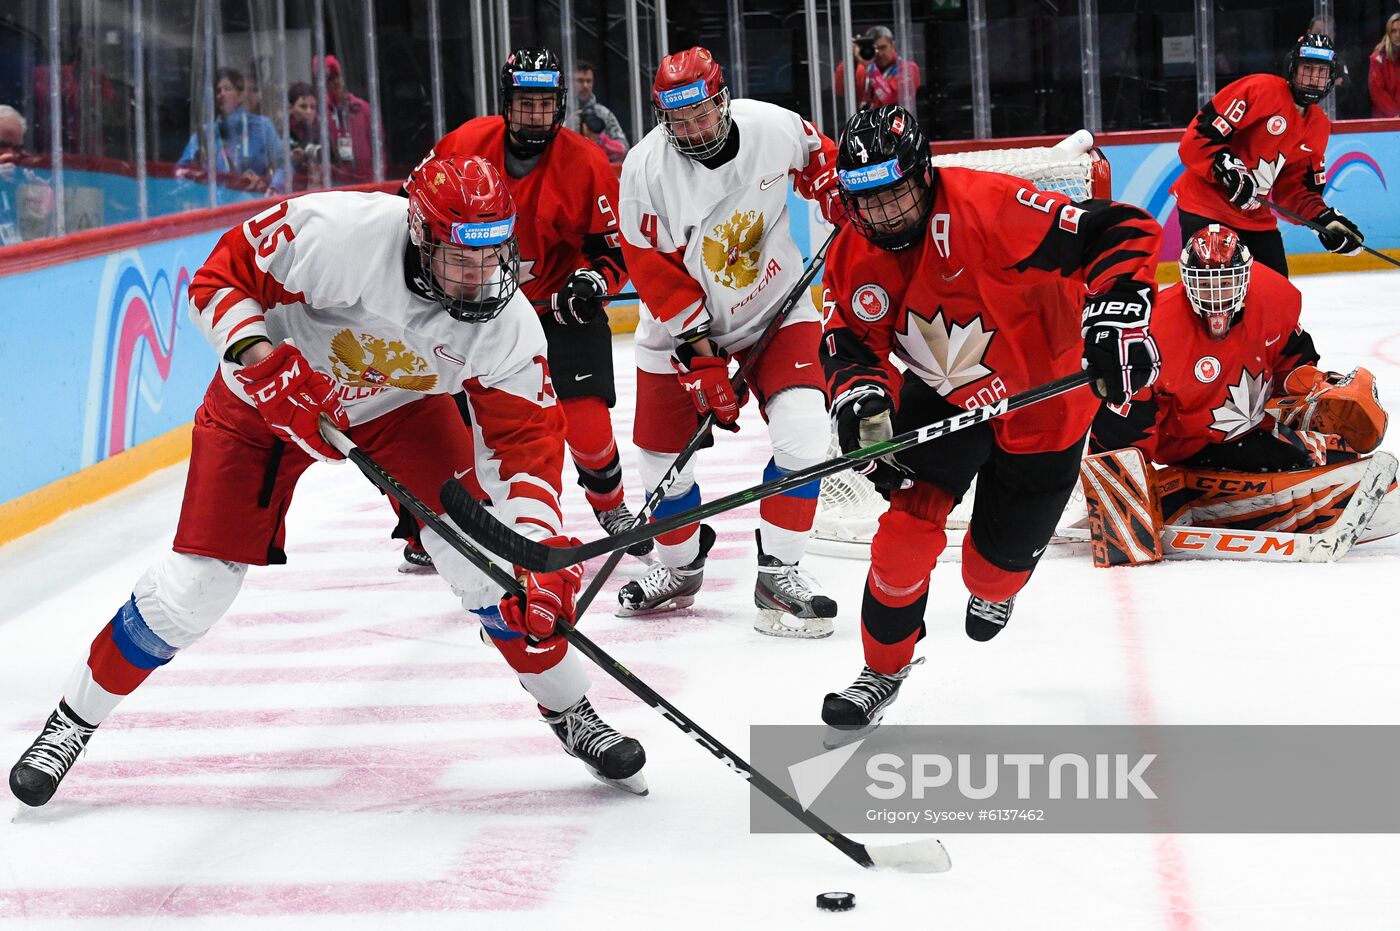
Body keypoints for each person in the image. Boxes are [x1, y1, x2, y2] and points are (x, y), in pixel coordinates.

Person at [7, 154, 648, 808]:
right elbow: (217, 278)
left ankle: (572, 710)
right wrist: (262, 362)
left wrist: (534, 551)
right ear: (420, 235)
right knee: (193, 590)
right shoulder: (338, 234)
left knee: (494, 571)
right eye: (462, 259)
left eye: (493, 257)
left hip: (400, 406)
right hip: (263, 403)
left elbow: (524, 445)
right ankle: (73, 718)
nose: (482, 278)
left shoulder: (508, 326)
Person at [818, 105, 1162, 738]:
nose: (886, 216)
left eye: (898, 195)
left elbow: (1122, 230)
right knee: (902, 540)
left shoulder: (990, 206)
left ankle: (995, 586)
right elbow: (848, 341)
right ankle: (881, 672)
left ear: (925, 174)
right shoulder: (853, 254)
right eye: (868, 202)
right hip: (947, 398)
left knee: (991, 571)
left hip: (1044, 405)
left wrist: (1117, 314)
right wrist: (861, 399)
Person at [617, 47, 847, 639]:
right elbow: (652, 270)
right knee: (664, 468)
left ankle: (779, 571)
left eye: (701, 114)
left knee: (803, 435)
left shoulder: (772, 126)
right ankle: (680, 567)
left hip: (777, 305)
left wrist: (831, 191)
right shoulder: (645, 171)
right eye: (678, 121)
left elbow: (819, 157)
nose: (692, 130)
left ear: (721, 99)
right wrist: (700, 356)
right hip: (680, 331)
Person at [396, 47, 646, 573]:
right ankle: (429, 523)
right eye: (524, 102)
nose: (535, 115)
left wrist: (591, 280)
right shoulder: (463, 145)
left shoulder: (586, 162)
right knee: (447, 427)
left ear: (560, 105)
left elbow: (613, 250)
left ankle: (611, 506)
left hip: (557, 310)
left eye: (545, 103)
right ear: (506, 103)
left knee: (586, 422)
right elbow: (410, 209)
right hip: (469, 308)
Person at [1086, 224, 1389, 555]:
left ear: (1246, 276)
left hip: (1253, 421)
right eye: (1205, 284)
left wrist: (1315, 385)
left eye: (1228, 282)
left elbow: (1292, 357)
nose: (1217, 295)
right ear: (1186, 279)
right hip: (1189, 442)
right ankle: (1205, 493)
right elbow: (1125, 419)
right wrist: (1119, 494)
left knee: (1340, 448)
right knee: (1309, 462)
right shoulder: (1155, 331)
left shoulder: (1273, 296)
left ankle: (1240, 487)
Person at [1172, 34, 1364, 278]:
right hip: (1206, 207)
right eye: (1308, 69)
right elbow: (1199, 137)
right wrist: (1226, 168)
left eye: (1322, 72)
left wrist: (1323, 220)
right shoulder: (1260, 89)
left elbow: (1294, 191)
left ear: (1332, 78)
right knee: (1215, 298)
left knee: (1278, 296)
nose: (1314, 79)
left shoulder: (1319, 127)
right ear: (1293, 70)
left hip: (1255, 218)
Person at [176, 67, 288, 195]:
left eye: (227, 89)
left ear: (240, 96)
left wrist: (274, 187)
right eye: (218, 91)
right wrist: (200, 178)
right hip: (218, 205)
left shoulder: (262, 126)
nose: (221, 94)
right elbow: (181, 170)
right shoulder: (205, 133)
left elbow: (284, 164)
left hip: (255, 203)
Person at [316, 54, 379, 184]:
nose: (335, 82)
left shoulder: (362, 108)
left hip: (367, 180)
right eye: (330, 79)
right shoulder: (320, 112)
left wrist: (377, 177)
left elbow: (378, 145)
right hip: (337, 183)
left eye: (338, 76)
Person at [0, 104, 55, 245]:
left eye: (17, 148)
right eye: (1, 145)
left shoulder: (17, 185)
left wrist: (38, 205)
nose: (10, 155)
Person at [832, 26, 921, 111]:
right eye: (875, 49)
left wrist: (870, 68)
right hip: (866, 124)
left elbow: (889, 98)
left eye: (883, 47)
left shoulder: (908, 69)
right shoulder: (862, 69)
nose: (879, 53)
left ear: (893, 45)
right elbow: (839, 90)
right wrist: (851, 58)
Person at [568, 60, 628, 150]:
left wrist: (600, 140)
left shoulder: (603, 113)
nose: (585, 86)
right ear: (569, 83)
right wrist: (566, 128)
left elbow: (624, 149)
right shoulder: (558, 112)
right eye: (580, 81)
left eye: (589, 81)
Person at [286, 82, 324, 191]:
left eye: (312, 107)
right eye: (303, 106)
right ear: (291, 108)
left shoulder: (323, 133)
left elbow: (337, 163)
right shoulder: (284, 133)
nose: (309, 112)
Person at [1369, 14, 1400, 118]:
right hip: (1385, 122)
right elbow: (1377, 92)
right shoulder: (1378, 58)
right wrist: (1396, 114)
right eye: (1394, 31)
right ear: (1388, 33)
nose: (1398, 35)